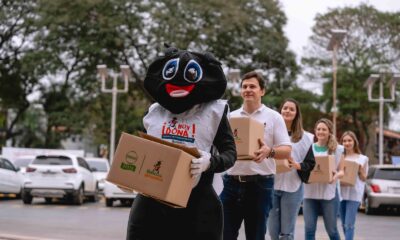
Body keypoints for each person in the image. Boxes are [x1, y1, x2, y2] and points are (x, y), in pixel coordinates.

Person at [126, 46, 237, 240]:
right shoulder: (154, 112)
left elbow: (230, 154)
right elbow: (143, 149)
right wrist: (130, 175)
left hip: (196, 198)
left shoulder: (214, 113)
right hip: (153, 197)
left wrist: (210, 161)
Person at [220, 71, 292, 240]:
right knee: (225, 235)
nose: (248, 90)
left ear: (262, 91)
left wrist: (270, 151)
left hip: (260, 185)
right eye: (244, 87)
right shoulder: (230, 117)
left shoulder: (274, 117)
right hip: (231, 183)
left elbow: (287, 150)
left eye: (253, 86)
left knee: (256, 236)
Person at [268, 98, 316, 240]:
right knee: (273, 232)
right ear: (280, 111)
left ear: (296, 114)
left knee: (287, 233)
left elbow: (310, 163)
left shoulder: (306, 138)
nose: (287, 111)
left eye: (291, 109)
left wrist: (298, 165)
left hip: (293, 188)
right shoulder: (270, 133)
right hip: (272, 185)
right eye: (285, 108)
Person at [303, 118, 344, 240]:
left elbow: (342, 171)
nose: (321, 131)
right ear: (315, 131)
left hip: (329, 195)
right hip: (310, 195)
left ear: (329, 132)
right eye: (318, 129)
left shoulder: (338, 149)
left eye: (324, 129)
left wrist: (335, 176)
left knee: (332, 230)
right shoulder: (309, 148)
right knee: (309, 230)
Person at [339, 131, 368, 240]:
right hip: (341, 194)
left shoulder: (362, 158)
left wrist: (360, 170)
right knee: (343, 224)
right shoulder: (340, 157)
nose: (347, 143)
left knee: (349, 224)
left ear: (354, 142)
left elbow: (364, 178)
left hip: (354, 195)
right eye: (344, 141)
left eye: (349, 140)